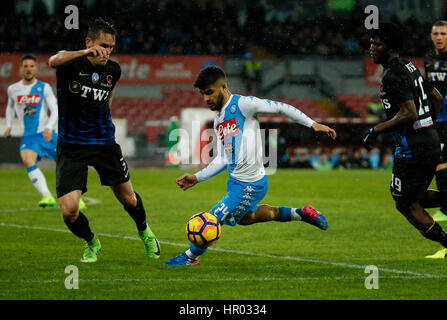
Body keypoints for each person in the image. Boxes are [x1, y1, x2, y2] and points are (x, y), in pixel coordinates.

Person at [165, 66, 336, 266]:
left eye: (209, 92)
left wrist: (311, 123)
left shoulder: (243, 104)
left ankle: (189, 257)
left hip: (250, 184)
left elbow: (280, 107)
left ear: (223, 87)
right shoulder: (219, 121)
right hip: (236, 182)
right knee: (248, 217)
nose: (206, 98)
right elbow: (222, 157)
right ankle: (300, 213)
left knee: (211, 220)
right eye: (203, 94)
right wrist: (197, 177)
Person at [48, 18, 160, 263]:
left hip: (104, 144)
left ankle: (146, 233)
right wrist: (85, 52)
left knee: (128, 198)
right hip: (72, 146)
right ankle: (91, 241)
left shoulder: (113, 70)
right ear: (89, 42)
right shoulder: (70, 65)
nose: (107, 51)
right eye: (102, 45)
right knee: (69, 211)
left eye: (111, 47)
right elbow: (52, 60)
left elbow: (108, 98)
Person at [363, 23, 447, 259]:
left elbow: (408, 113)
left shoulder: (392, 74)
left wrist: (375, 130)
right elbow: (436, 96)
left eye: (377, 44)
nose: (372, 48)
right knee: (414, 196)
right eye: (371, 43)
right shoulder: (409, 66)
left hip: (413, 147)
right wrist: (428, 123)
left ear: (390, 47)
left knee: (404, 201)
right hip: (426, 140)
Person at [4, 54, 85, 210]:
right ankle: (47, 196)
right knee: (27, 159)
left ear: (36, 68)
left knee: (64, 164)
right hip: (29, 136)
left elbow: (55, 108)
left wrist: (49, 127)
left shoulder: (44, 87)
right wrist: (8, 125)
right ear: (20, 69)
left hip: (46, 133)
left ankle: (74, 198)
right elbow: (10, 107)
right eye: (25, 66)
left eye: (31, 66)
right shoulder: (13, 89)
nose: (28, 69)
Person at [424, 20, 447, 222]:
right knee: (438, 162)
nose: (439, 37)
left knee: (440, 161)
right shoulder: (429, 58)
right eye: (436, 33)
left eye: (443, 33)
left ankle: (445, 208)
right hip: (436, 118)